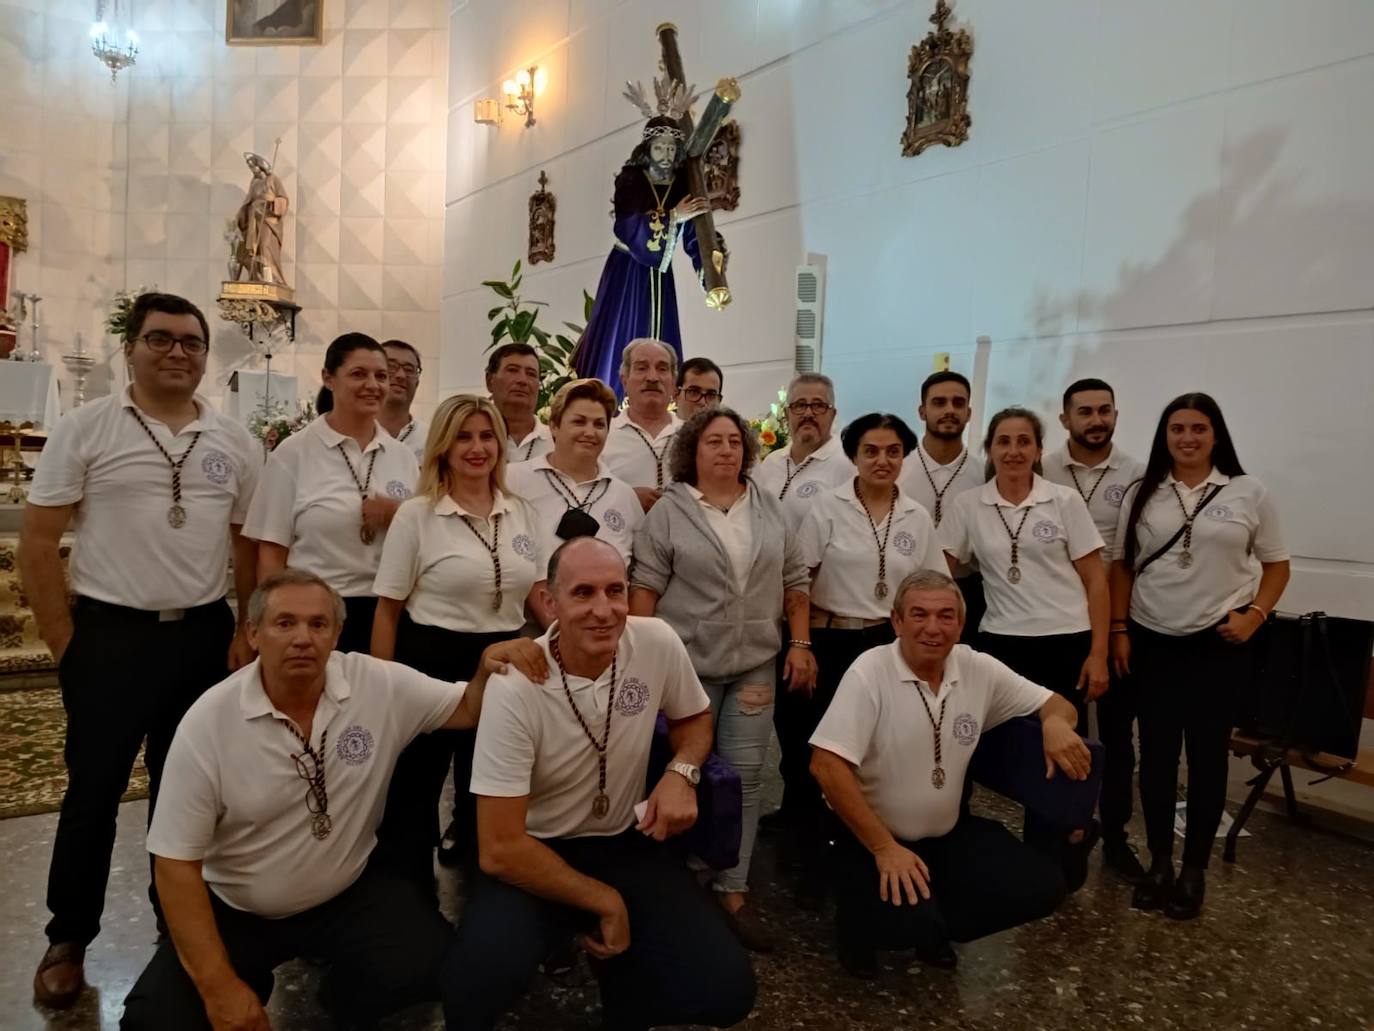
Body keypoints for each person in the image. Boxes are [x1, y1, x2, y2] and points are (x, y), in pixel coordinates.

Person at [118, 570, 547, 1030]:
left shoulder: (374, 683)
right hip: (239, 905)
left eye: (318, 624)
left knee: (432, 964)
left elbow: (465, 706)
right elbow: (174, 864)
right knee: (154, 1019)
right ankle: (247, 980)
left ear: (336, 633)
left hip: (346, 891)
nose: (303, 638)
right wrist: (220, 987)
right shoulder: (208, 724)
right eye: (285, 624)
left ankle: (339, 1001)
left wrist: (486, 666)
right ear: (253, 633)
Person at [21, 292, 261, 1010]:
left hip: (199, 636)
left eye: (191, 342)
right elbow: (38, 542)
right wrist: (67, 642)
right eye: (161, 339)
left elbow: (248, 544)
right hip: (110, 634)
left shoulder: (233, 441)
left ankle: (177, 928)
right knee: (92, 793)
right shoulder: (87, 428)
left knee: (186, 792)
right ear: (131, 347)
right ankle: (69, 936)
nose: (178, 352)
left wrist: (244, 630)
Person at [442, 537, 755, 1031]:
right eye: (583, 593)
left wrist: (682, 772)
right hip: (534, 850)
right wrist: (606, 901)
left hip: (622, 843)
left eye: (615, 591)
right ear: (550, 602)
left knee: (727, 990)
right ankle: (591, 930)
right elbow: (499, 849)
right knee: (478, 982)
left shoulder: (655, 641)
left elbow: (694, 719)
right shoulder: (515, 684)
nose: (603, 610)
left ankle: (626, 990)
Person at [810, 570, 1090, 977]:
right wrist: (885, 849)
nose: (932, 628)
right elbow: (825, 766)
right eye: (919, 615)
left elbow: (1058, 703)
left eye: (945, 616)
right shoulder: (868, 672)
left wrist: (1056, 724)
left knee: (1045, 886)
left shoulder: (976, 667)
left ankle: (933, 920)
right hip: (870, 840)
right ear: (897, 621)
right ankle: (861, 927)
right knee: (902, 926)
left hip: (948, 834)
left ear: (960, 624)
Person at [630, 407, 816, 951]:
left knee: (747, 776)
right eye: (714, 441)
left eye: (735, 441)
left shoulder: (768, 506)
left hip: (756, 664)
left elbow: (794, 578)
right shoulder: (669, 512)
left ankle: (733, 886)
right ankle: (687, 878)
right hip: (687, 667)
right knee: (684, 774)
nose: (726, 450)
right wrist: (643, 658)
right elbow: (644, 588)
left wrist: (800, 643)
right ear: (693, 450)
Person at [1109, 392, 1289, 920]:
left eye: (1198, 429)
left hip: (1218, 646)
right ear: (1164, 436)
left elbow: (1277, 566)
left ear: (1216, 435)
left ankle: (1194, 872)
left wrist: (1254, 616)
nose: (1187, 438)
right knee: (1158, 758)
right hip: (1152, 640)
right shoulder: (1144, 492)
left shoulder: (1247, 491)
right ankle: (1160, 863)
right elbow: (1121, 565)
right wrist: (1120, 628)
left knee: (1208, 761)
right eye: (1177, 429)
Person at [372, 395, 545, 883]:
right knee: (416, 787)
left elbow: (537, 594)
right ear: (443, 447)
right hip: (430, 659)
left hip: (506, 661)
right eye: (464, 437)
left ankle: (481, 891)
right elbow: (388, 610)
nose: (477, 447)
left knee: (488, 786)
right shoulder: (418, 515)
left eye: (486, 436)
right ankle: (410, 897)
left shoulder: (522, 512)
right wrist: (384, 687)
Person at [938, 406, 1107, 886]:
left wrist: (1097, 652)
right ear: (989, 450)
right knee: (982, 744)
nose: (1013, 451)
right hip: (1000, 642)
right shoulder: (969, 504)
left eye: (1024, 441)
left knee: (1063, 750)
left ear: (1038, 449)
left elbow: (1095, 580)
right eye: (1003, 442)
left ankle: (1061, 844)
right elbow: (939, 572)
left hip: (1064, 641)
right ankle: (962, 839)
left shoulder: (1064, 501)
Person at [787, 414, 946, 881]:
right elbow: (799, 581)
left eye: (893, 451)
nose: (882, 460)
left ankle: (871, 854)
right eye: (871, 451)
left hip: (889, 643)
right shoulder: (828, 508)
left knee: (879, 754)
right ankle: (809, 860)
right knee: (815, 751)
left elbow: (931, 586)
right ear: (854, 457)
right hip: (830, 639)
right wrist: (801, 643)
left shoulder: (917, 516)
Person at [244, 333, 418, 654]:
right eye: (358, 374)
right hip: (315, 615)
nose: (373, 384)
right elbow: (271, 555)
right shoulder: (293, 453)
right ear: (328, 378)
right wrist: (271, 628)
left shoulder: (402, 456)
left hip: (391, 611)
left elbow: (422, 534)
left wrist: (397, 513)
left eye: (381, 376)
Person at [1043, 377, 1147, 882]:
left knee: (1117, 736)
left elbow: (1128, 558)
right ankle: (1068, 828)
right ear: (1065, 419)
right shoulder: (1041, 468)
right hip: (1057, 623)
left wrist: (1116, 632)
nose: (1096, 420)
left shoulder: (1137, 474)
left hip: (1116, 619)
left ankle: (1117, 832)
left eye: (1104, 410)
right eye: (1084, 412)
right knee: (1066, 729)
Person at [571, 107, 719, 389]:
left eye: (672, 149)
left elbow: (694, 234)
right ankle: (614, 397)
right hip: (628, 270)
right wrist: (673, 216)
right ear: (647, 149)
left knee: (660, 335)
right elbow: (627, 225)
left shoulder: (681, 186)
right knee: (621, 333)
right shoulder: (630, 180)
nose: (666, 154)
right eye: (659, 147)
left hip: (660, 276)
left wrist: (710, 270)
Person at [508, 378, 643, 592]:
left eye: (599, 424)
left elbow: (638, 574)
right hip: (529, 623)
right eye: (579, 422)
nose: (590, 432)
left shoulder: (625, 496)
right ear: (553, 426)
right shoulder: (513, 480)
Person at [898, 370, 986, 642]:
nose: (949, 410)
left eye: (958, 403)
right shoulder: (899, 470)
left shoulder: (983, 474)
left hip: (968, 590)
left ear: (969, 413)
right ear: (922, 411)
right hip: (905, 586)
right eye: (939, 403)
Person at [752, 373, 856, 535]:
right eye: (800, 405)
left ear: (832, 414)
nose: (808, 413)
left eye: (818, 405)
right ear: (787, 414)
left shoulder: (847, 464)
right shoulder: (772, 462)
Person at [600, 338, 682, 511]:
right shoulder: (602, 435)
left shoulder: (693, 435)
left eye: (662, 369)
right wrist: (626, 499)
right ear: (624, 380)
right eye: (642, 368)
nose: (652, 377)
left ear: (673, 382)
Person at [485, 342, 550, 465]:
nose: (522, 380)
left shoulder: (558, 442)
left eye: (531, 374)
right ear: (489, 381)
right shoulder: (471, 442)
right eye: (513, 370)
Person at [378, 339, 428, 462]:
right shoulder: (352, 435)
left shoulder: (432, 439)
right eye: (391, 366)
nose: (401, 375)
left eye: (409, 369)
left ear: (417, 382)